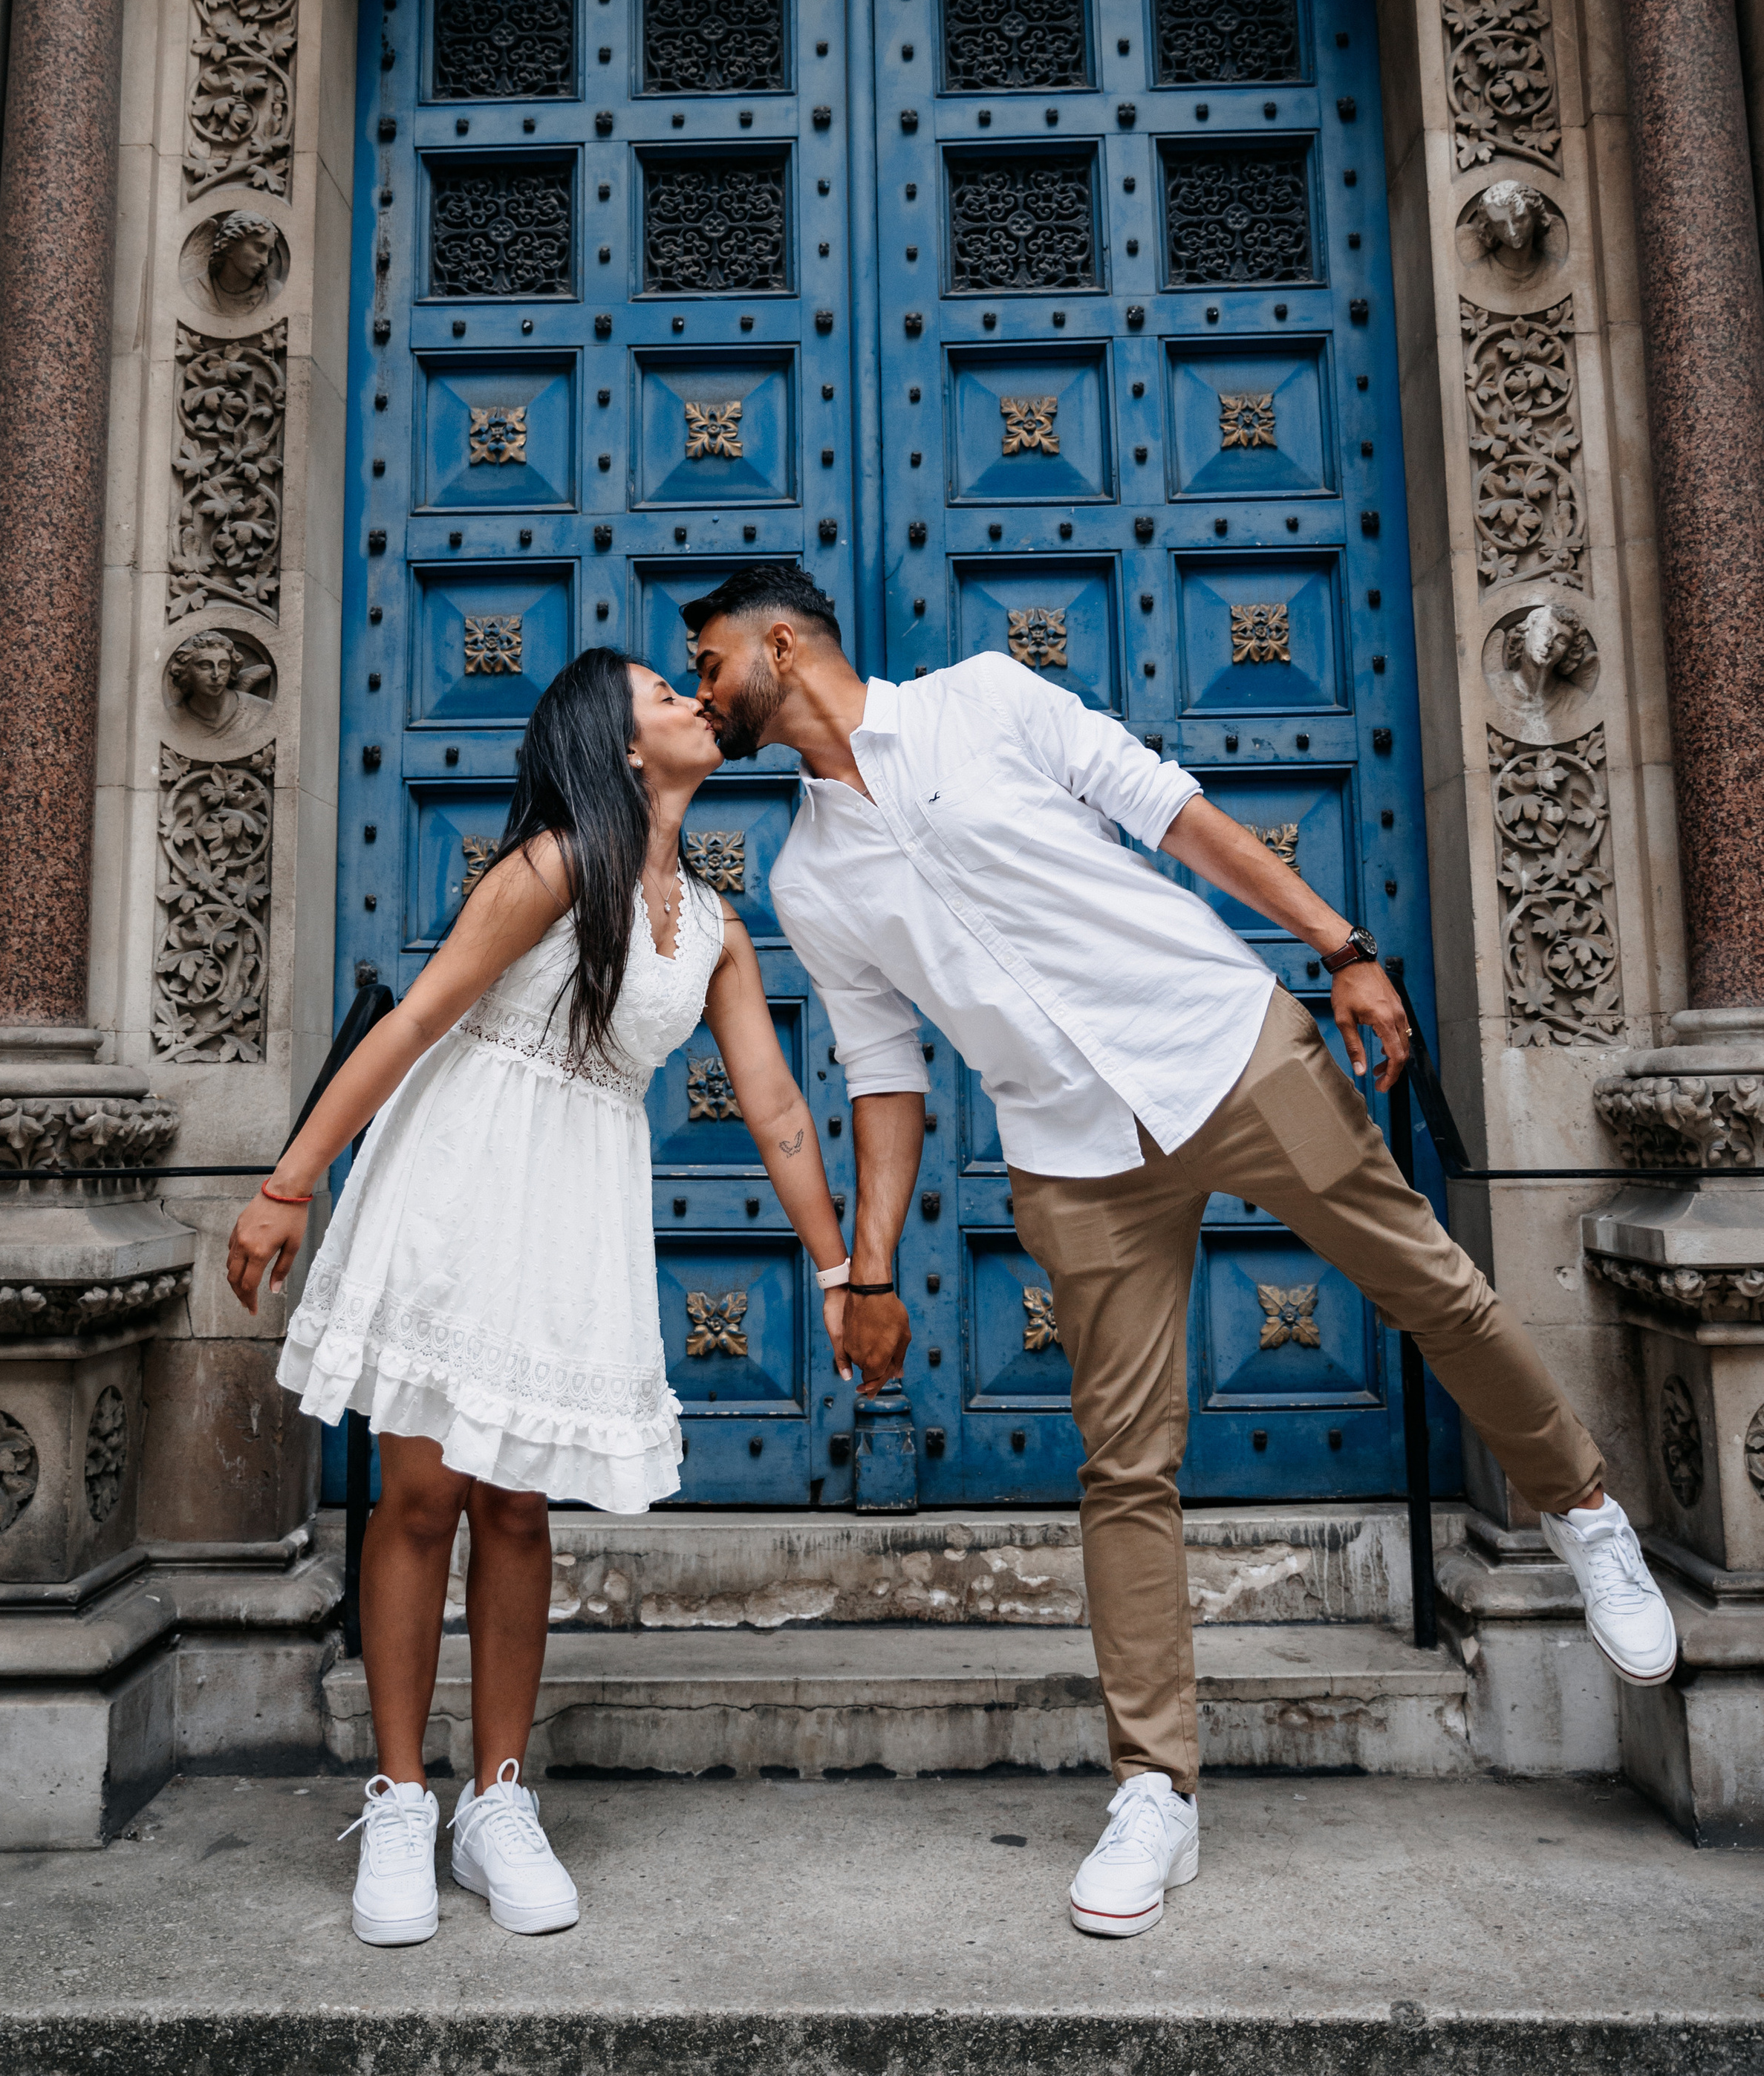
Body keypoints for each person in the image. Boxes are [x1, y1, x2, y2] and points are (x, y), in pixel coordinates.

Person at [681, 563, 1679, 1941]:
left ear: (780, 646)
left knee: (1433, 1288)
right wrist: (866, 1266)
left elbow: (1171, 813)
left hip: (1224, 1045)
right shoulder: (806, 873)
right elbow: (882, 1074)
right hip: (1069, 1154)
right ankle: (1158, 1790)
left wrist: (1342, 945)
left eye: (709, 660)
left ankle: (1583, 1510)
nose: (698, 691)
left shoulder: (983, 700)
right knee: (1124, 1467)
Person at [226, 648, 852, 1949]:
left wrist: (846, 1268)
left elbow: (778, 1107)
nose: (692, 701)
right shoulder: (553, 865)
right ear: (624, 751)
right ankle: (400, 1795)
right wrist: (290, 1182)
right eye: (664, 698)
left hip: (574, 1209)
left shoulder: (717, 923)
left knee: (516, 1503)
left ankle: (495, 1798)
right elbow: (412, 1026)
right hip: (459, 1180)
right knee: (420, 1493)